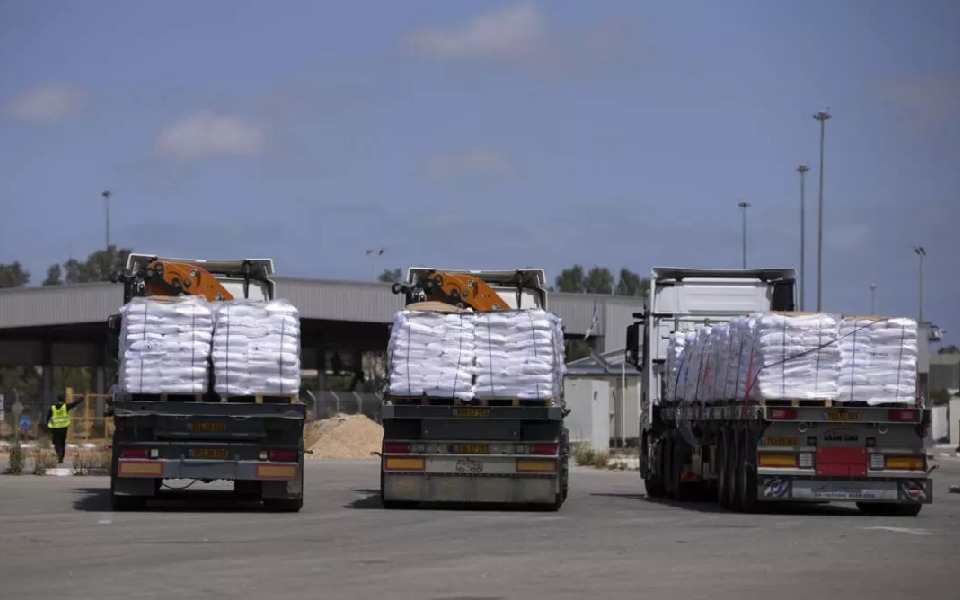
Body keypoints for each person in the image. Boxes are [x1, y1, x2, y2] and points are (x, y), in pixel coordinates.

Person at [44, 395, 86, 464]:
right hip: (63, 428)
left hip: (55, 429)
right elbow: (74, 404)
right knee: (62, 442)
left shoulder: (52, 408)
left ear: (57, 400)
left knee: (56, 443)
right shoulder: (65, 407)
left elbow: (48, 418)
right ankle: (62, 456)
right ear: (63, 400)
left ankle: (59, 454)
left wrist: (47, 427)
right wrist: (81, 399)